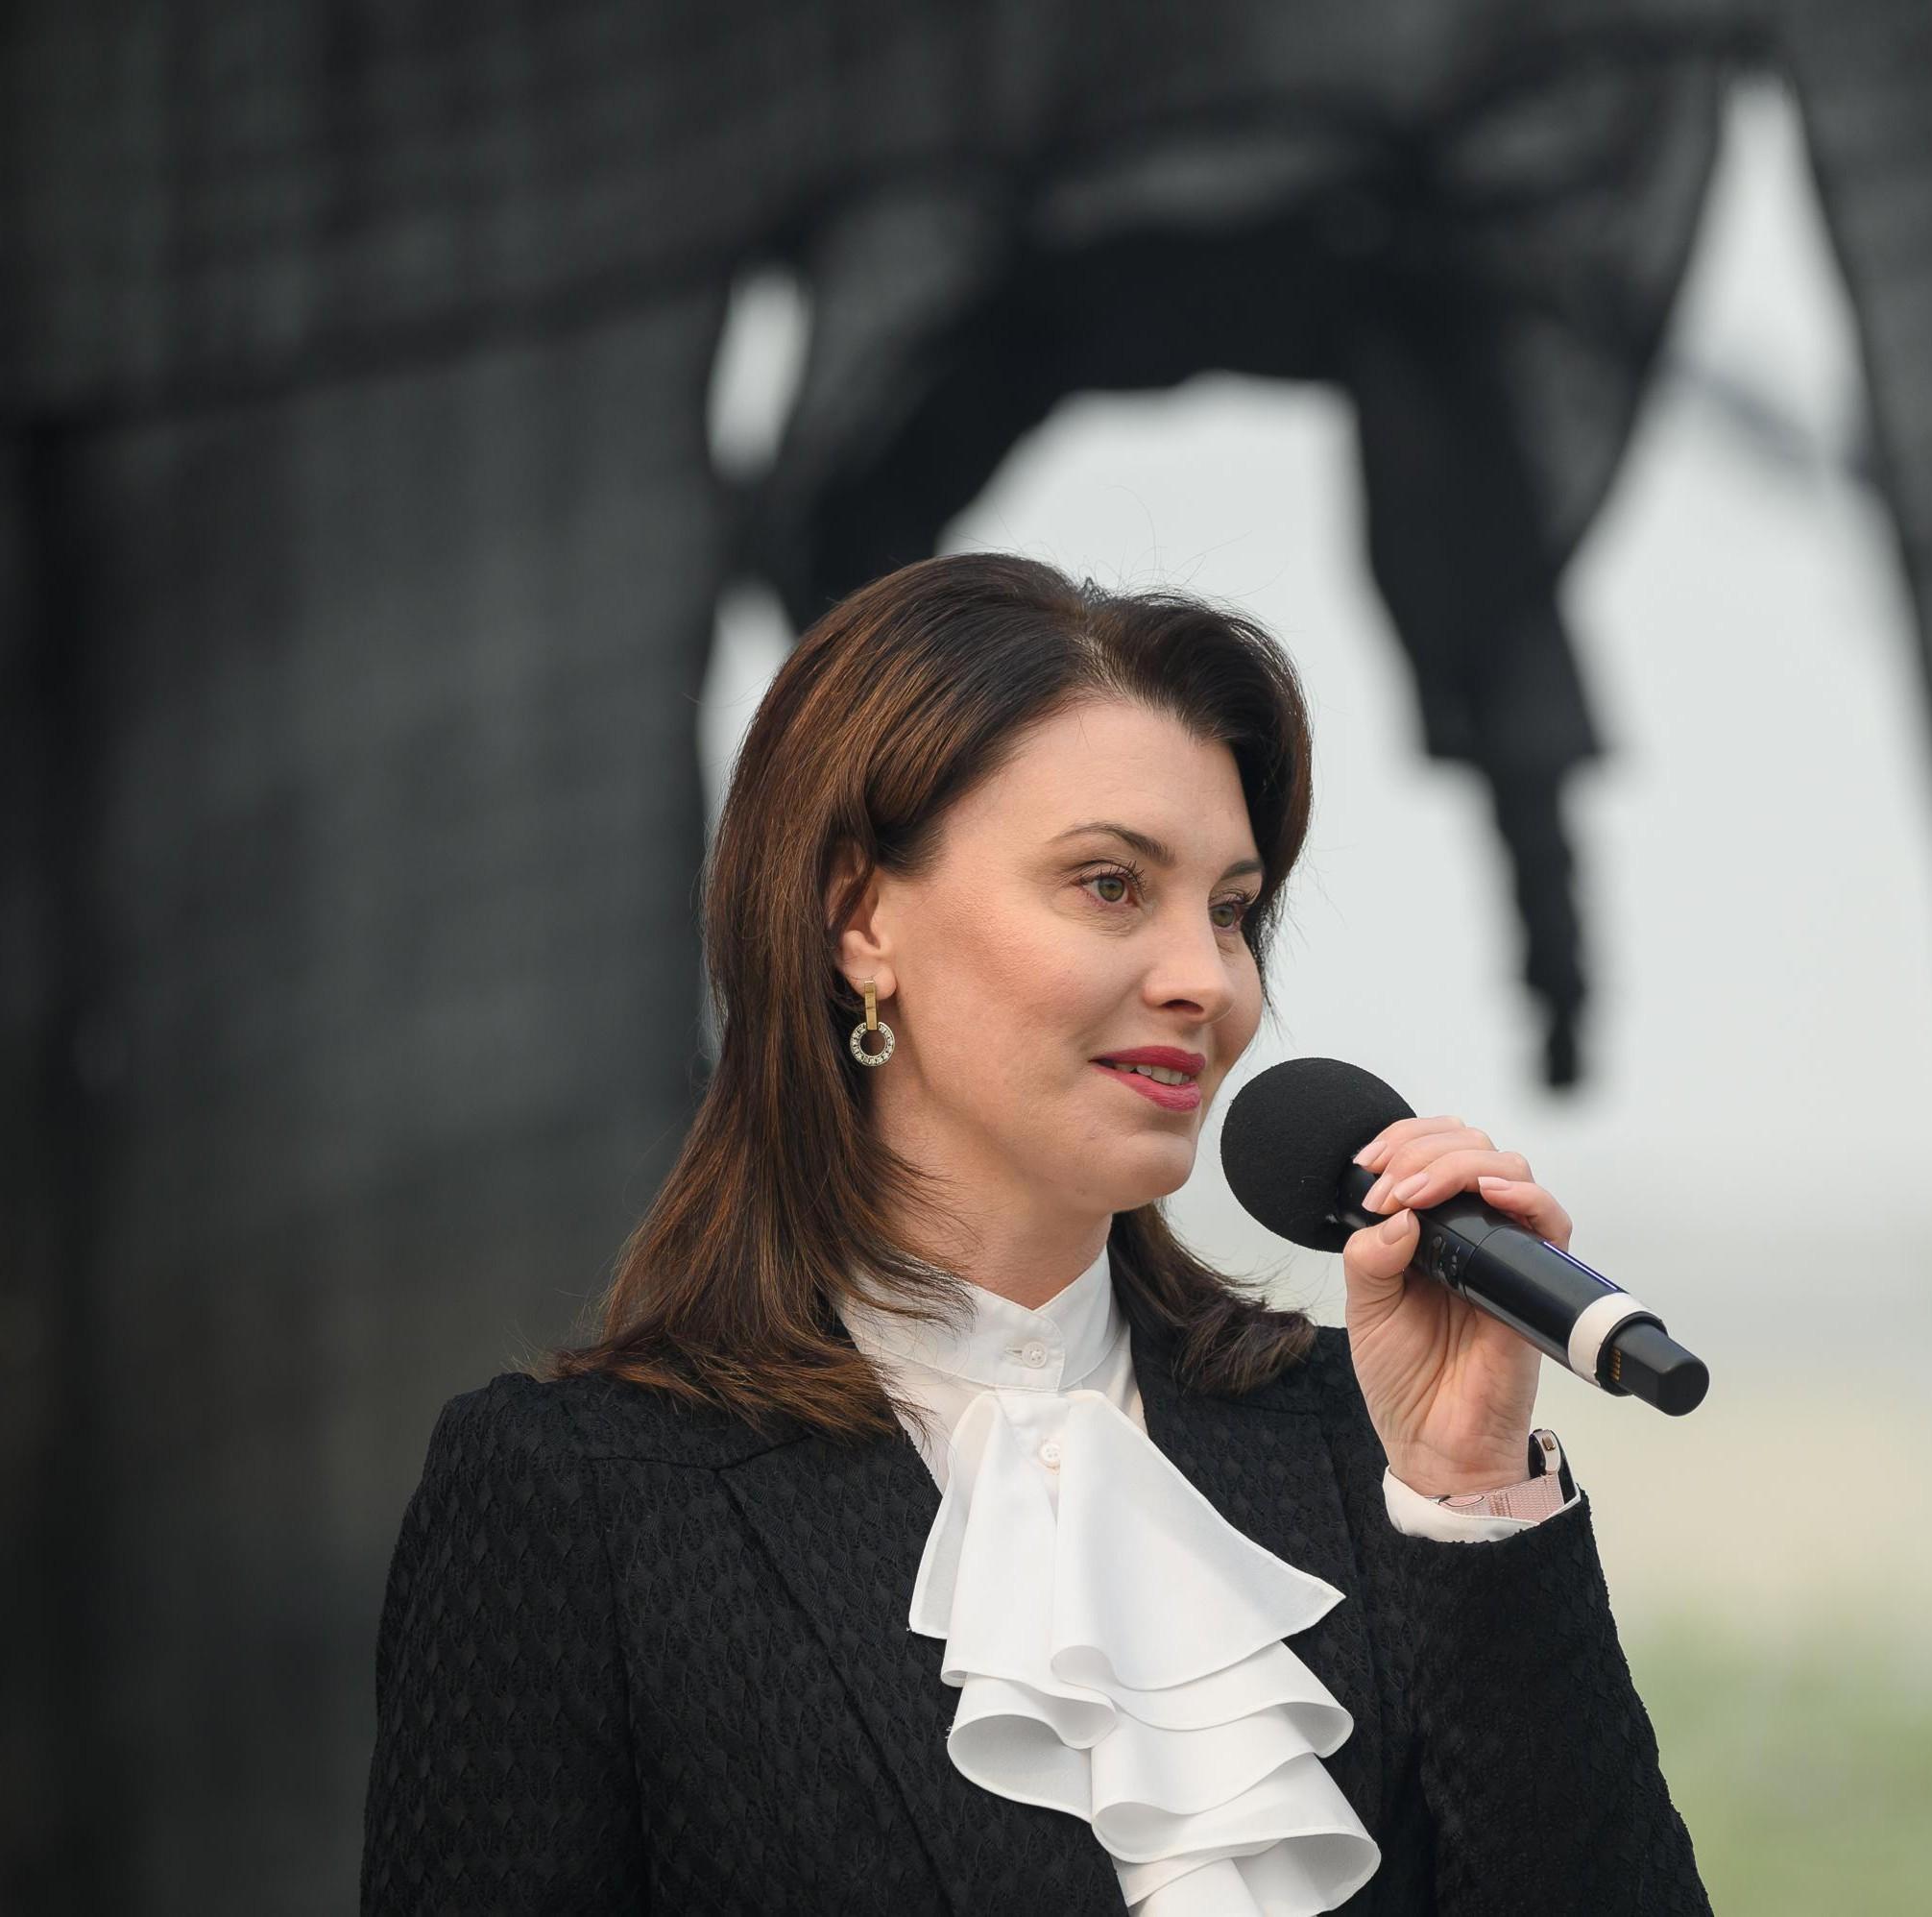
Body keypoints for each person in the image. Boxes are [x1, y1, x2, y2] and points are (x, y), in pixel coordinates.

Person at [360, 552, 1712, 1915]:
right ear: (858, 918)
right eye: (1110, 885)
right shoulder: (580, 1498)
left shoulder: (1357, 1433)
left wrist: (1473, 1498)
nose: (1205, 980)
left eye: (1231, 911)